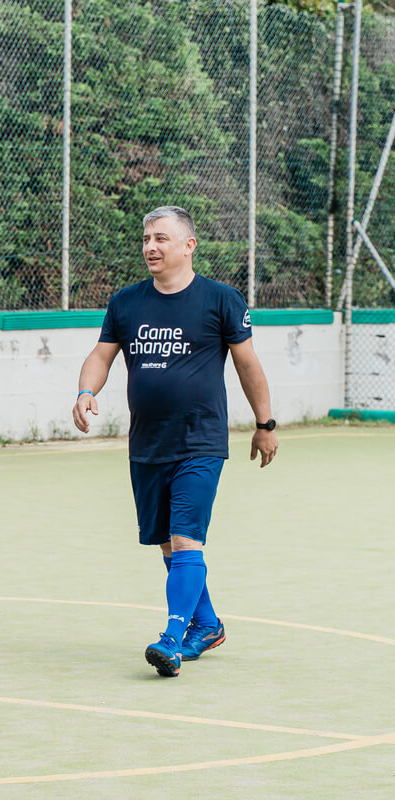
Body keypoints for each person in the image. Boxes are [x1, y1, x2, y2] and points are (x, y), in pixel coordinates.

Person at [71, 205, 278, 678]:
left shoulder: (221, 299)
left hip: (200, 440)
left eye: (161, 239)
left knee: (186, 539)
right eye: (146, 239)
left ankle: (172, 638)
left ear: (189, 245)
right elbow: (101, 355)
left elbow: (248, 366)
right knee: (166, 543)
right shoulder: (126, 302)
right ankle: (208, 624)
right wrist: (86, 391)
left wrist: (264, 424)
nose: (150, 247)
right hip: (147, 443)